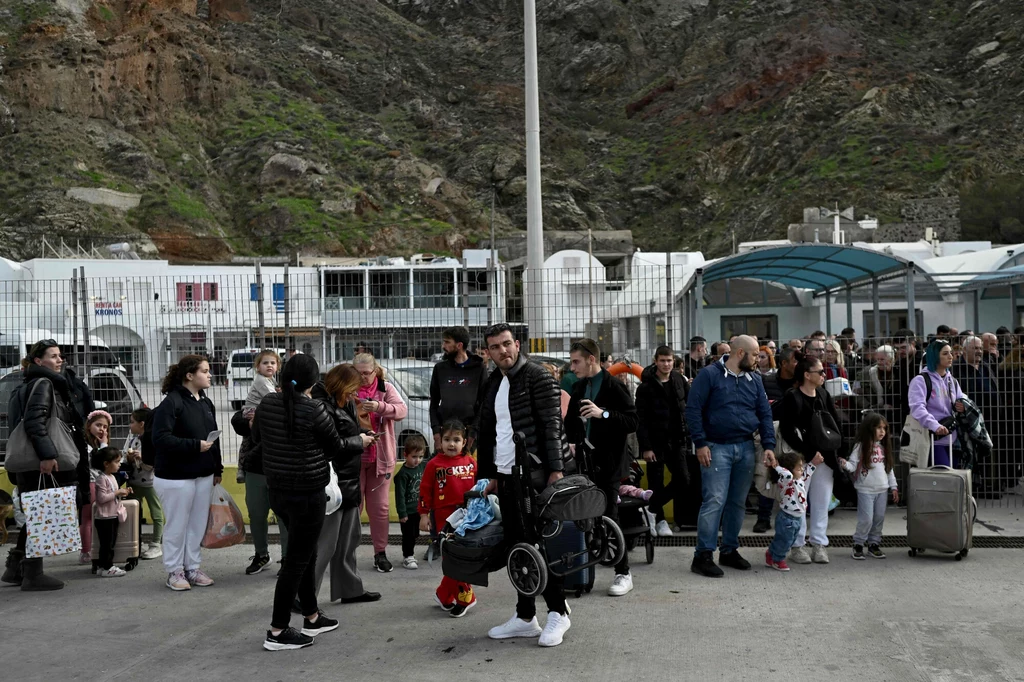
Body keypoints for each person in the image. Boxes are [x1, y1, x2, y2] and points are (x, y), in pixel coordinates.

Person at [476, 323, 571, 647]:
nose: (503, 351)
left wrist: (555, 470)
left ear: (517, 344)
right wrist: (488, 476)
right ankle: (525, 615)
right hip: (506, 476)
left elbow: (551, 425)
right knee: (518, 545)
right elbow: (488, 433)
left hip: (533, 474)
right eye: (495, 347)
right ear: (488, 352)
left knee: (538, 544)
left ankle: (559, 612)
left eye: (507, 344)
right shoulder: (494, 382)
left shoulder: (537, 376)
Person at [253, 353, 343, 651]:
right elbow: (336, 448)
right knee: (296, 561)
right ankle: (278, 632)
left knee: (305, 555)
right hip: (308, 494)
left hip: (278, 491)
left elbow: (258, 438)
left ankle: (312, 616)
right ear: (314, 381)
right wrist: (361, 441)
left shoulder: (267, 404)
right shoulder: (315, 410)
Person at [685, 335, 776, 578]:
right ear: (740, 354)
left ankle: (729, 550)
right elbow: (693, 410)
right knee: (714, 500)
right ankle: (703, 555)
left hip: (745, 447)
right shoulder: (709, 375)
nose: (759, 359)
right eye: (755, 354)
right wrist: (700, 443)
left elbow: (765, 413)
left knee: (737, 502)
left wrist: (768, 444)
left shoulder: (754, 379)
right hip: (715, 448)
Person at [1, 340, 88, 591]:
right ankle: (32, 574)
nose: (60, 360)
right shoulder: (44, 384)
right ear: (39, 361)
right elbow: (35, 423)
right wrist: (48, 456)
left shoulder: (26, 385)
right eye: (53, 356)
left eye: (61, 356)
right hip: (41, 462)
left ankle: (16, 568)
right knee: (40, 514)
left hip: (29, 464)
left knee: (36, 513)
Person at [564, 338, 639, 596]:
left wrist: (602, 414)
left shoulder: (614, 386)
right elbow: (570, 423)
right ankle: (584, 571)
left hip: (608, 463)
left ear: (591, 359)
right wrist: (572, 442)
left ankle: (623, 572)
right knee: (586, 516)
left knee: (609, 515)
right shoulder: (578, 387)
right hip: (584, 463)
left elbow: (632, 421)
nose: (572, 366)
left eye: (576, 361)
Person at [309, 363, 381, 605]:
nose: (354, 396)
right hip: (331, 482)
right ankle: (305, 597)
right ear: (339, 385)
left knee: (348, 542)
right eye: (351, 391)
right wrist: (359, 441)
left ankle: (349, 589)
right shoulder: (320, 405)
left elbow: (350, 432)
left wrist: (364, 436)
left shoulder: (344, 401)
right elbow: (330, 445)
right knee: (325, 546)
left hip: (349, 479)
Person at [151, 355, 223, 592]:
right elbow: (160, 439)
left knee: (197, 525)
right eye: (204, 371)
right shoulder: (171, 403)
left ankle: (192, 567)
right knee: (177, 525)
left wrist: (217, 468)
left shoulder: (205, 402)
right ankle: (174, 571)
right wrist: (194, 445)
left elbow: (214, 437)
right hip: (175, 476)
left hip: (203, 474)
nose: (209, 375)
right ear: (189, 375)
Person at [778, 352, 842, 565]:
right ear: (807, 375)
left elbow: (834, 424)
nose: (824, 374)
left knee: (822, 502)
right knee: (799, 503)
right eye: (820, 371)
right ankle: (797, 546)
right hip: (802, 460)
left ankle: (819, 544)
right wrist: (807, 454)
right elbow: (787, 430)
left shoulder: (823, 395)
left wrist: (835, 452)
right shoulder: (792, 397)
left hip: (825, 458)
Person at [353, 353, 409, 573]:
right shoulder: (348, 388)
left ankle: (380, 553)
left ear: (375, 370)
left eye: (367, 373)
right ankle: (347, 554)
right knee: (353, 509)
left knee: (380, 510)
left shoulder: (385, 388)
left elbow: (402, 410)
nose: (364, 378)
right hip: (354, 459)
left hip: (381, 460)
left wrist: (379, 407)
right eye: (359, 373)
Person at [419, 420, 478, 617]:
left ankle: (444, 594)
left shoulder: (471, 463)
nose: (451, 444)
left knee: (462, 558)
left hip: (468, 518)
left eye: (456, 440)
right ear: (440, 441)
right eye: (447, 440)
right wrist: (424, 515)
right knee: (450, 558)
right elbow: (425, 492)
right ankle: (466, 597)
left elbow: (481, 488)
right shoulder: (433, 465)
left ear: (465, 442)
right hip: (442, 518)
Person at [635, 345, 692, 537]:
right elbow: (641, 420)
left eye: (669, 361)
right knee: (655, 483)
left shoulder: (679, 380)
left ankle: (650, 509)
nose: (666, 364)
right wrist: (646, 447)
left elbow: (688, 406)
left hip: (678, 440)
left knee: (683, 480)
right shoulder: (645, 387)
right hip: (655, 442)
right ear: (655, 361)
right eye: (663, 360)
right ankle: (659, 521)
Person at [838, 413, 899, 560]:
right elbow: (853, 465)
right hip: (865, 489)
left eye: (884, 428)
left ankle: (874, 544)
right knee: (866, 519)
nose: (882, 431)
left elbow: (889, 469)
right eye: (878, 428)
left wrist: (894, 487)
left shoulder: (884, 448)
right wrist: (844, 464)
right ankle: (858, 544)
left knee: (878, 518)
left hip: (882, 489)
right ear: (869, 428)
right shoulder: (860, 447)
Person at [429, 327, 490, 453]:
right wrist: (436, 432)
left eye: (447, 342)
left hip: (469, 434)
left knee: (468, 471)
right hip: (445, 433)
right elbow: (434, 403)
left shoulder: (478, 368)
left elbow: (484, 403)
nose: (443, 345)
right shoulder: (440, 369)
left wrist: (473, 432)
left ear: (459, 345)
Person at [952, 335, 999, 496]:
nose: (979, 351)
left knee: (988, 449)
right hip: (969, 419)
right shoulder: (957, 369)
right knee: (970, 452)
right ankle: (973, 487)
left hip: (991, 417)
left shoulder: (986, 366)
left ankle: (990, 485)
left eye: (980, 348)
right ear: (964, 350)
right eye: (975, 348)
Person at [908, 340, 966, 468]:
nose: (951, 356)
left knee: (952, 479)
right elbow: (917, 408)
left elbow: (962, 398)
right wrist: (935, 426)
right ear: (934, 356)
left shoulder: (953, 381)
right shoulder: (920, 381)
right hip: (931, 439)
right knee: (942, 477)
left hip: (953, 439)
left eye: (950, 352)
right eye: (945, 353)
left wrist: (963, 406)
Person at [765, 450, 822, 572]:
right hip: (787, 518)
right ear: (789, 470)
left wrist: (813, 463)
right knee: (784, 541)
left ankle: (771, 554)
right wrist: (777, 466)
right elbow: (787, 474)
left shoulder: (799, 479)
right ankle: (778, 560)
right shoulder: (787, 481)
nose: (801, 470)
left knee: (787, 540)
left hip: (796, 518)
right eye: (798, 468)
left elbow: (807, 473)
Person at [124, 407, 163, 561]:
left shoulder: (151, 440)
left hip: (150, 482)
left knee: (156, 513)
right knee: (133, 514)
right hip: (134, 482)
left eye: (132, 422)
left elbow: (151, 463)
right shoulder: (134, 440)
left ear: (142, 424)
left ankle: (156, 544)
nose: (130, 425)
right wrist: (130, 458)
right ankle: (135, 543)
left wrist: (141, 457)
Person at [91, 446, 131, 578]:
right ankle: (107, 566)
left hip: (112, 515)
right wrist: (117, 492)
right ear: (106, 464)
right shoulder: (102, 478)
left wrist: (123, 492)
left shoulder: (111, 477)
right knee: (107, 544)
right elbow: (101, 499)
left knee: (110, 543)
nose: (119, 464)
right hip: (105, 517)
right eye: (117, 462)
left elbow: (113, 494)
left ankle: (103, 566)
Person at [81, 409, 112, 567]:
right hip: (90, 483)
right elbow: (102, 461)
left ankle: (92, 549)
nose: (102, 429)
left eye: (105, 427)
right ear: (89, 426)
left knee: (95, 518)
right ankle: (86, 551)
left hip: (98, 482)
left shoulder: (95, 444)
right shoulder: (86, 445)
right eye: (98, 425)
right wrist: (104, 444)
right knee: (88, 518)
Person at [394, 435, 427, 570]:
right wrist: (402, 513)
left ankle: (410, 555)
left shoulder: (422, 467)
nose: (417, 460)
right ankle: (408, 556)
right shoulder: (403, 474)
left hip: (418, 509)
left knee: (415, 534)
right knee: (408, 535)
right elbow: (399, 495)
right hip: (408, 511)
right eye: (414, 457)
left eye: (420, 457)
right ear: (405, 455)